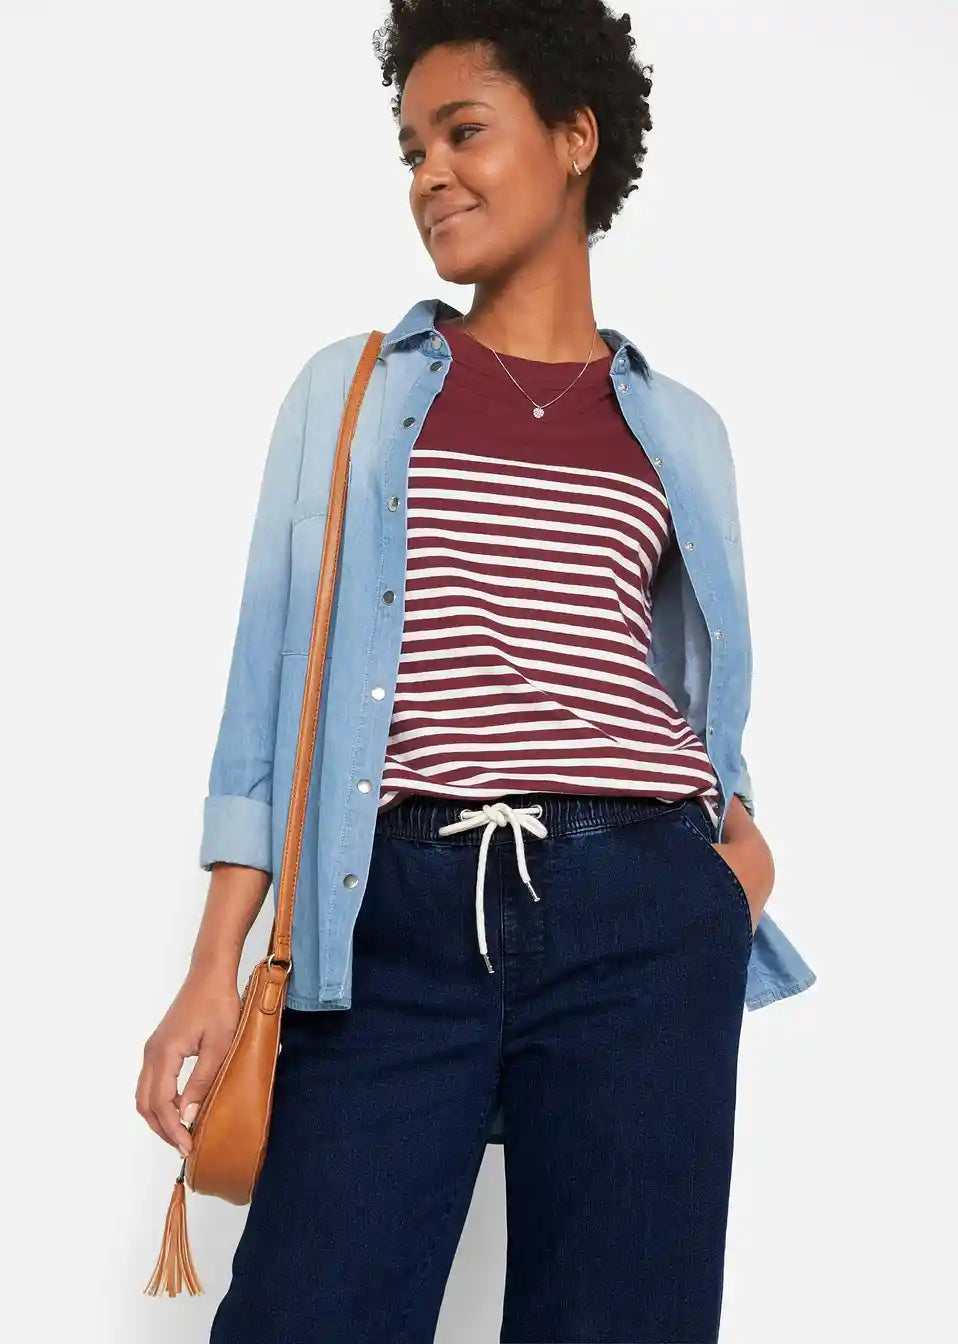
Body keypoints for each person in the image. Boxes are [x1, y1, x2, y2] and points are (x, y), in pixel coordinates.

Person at [136, 1, 816, 1339]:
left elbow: (694, 686)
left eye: (463, 133)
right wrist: (216, 963)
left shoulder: (683, 432)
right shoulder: (354, 391)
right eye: (412, 150)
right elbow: (269, 687)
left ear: (575, 138)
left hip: (644, 914)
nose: (429, 176)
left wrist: (729, 870)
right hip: (396, 911)